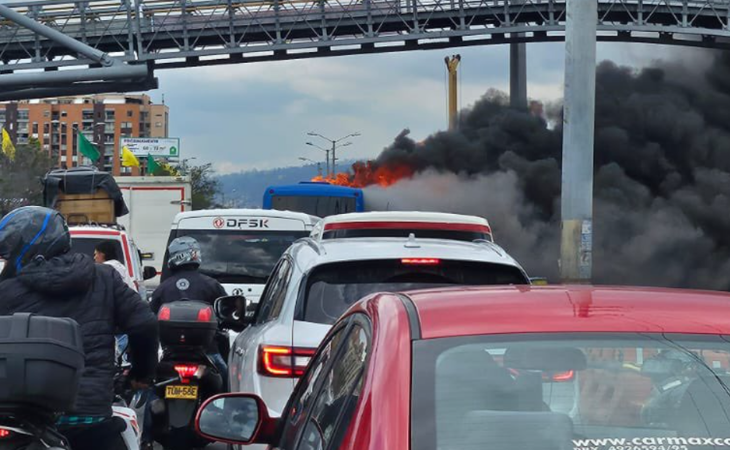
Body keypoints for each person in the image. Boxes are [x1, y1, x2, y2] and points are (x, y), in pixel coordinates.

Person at [0, 206, 159, 450]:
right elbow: (144, 324)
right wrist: (141, 375)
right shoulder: (105, 278)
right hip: (91, 417)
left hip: (23, 422)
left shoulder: (7, 290)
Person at [150, 236, 229, 387]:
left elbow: (150, 316)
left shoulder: (163, 288)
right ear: (195, 255)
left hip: (170, 354)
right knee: (225, 379)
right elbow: (226, 311)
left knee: (152, 390)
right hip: (208, 352)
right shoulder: (212, 285)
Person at [94, 240, 136, 364]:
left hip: (115, 317)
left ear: (103, 254)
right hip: (129, 315)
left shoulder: (105, 269)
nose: (94, 257)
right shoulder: (120, 268)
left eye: (96, 254)